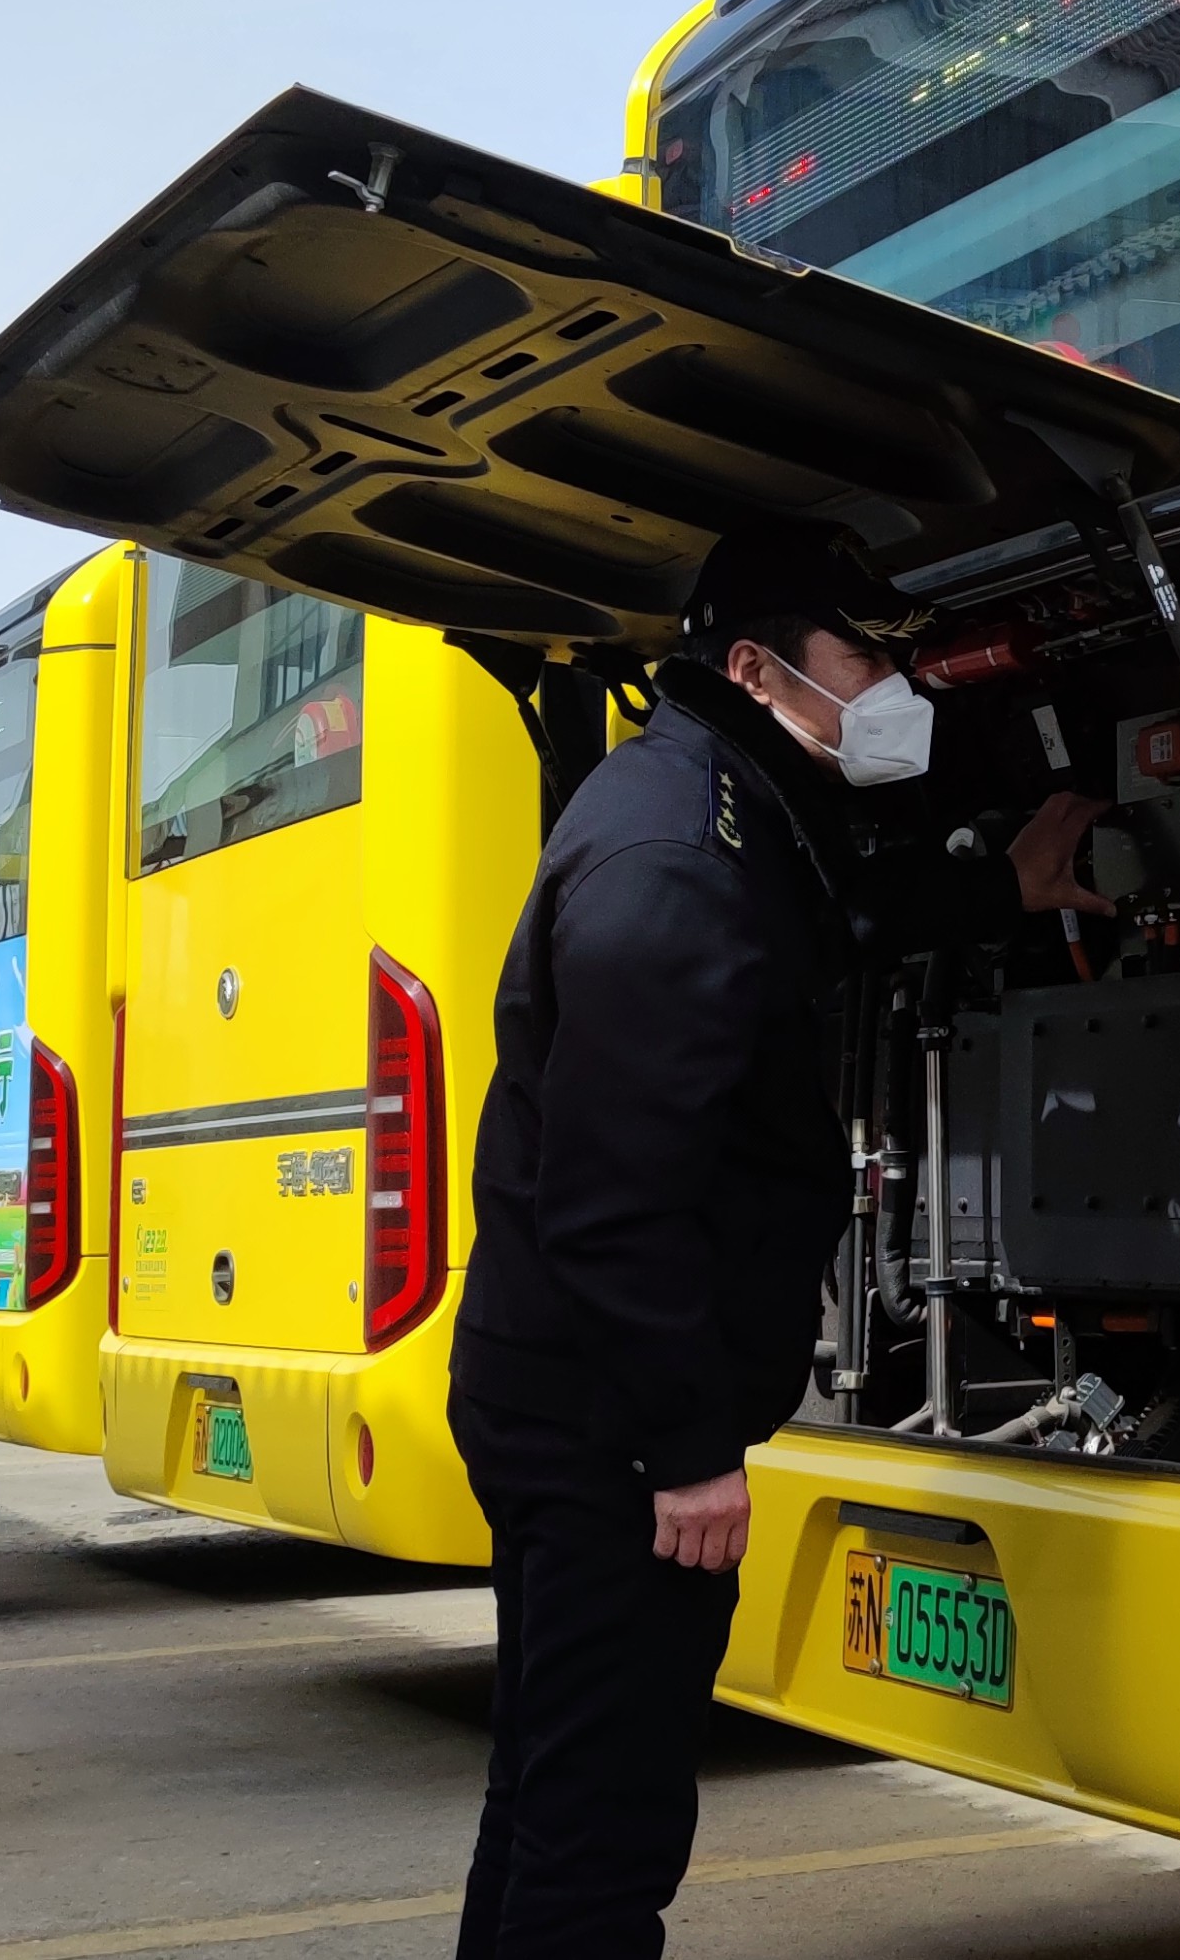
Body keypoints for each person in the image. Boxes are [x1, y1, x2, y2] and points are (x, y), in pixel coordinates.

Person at [447, 524, 1107, 1960]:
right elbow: (614, 1199)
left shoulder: (712, 797)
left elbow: (812, 926)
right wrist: (686, 1449)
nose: (895, 691)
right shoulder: (677, 857)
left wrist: (996, 888)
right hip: (609, 1428)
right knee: (604, 1826)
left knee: (554, 1790)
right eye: (864, 660)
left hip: (565, 1395)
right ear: (756, 668)